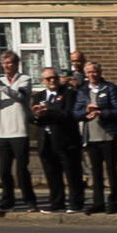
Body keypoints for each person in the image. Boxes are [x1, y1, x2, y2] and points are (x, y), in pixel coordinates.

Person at [0, 54, 36, 213]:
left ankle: (30, 201)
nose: (6, 66)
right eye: (4, 63)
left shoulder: (24, 79)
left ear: (16, 64)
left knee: (21, 170)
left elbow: (19, 96)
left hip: (19, 130)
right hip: (2, 131)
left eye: (9, 63)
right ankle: (7, 201)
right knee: (4, 171)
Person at [35, 66, 84, 213]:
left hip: (65, 139)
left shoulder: (68, 94)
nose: (52, 81)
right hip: (46, 139)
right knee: (52, 173)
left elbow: (68, 114)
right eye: (48, 78)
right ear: (42, 81)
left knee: (72, 172)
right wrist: (37, 115)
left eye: (54, 77)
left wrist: (48, 113)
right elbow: (31, 116)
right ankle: (57, 203)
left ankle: (76, 203)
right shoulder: (39, 96)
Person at [74, 59, 117, 212]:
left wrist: (101, 112)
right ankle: (98, 203)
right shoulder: (82, 91)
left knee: (112, 171)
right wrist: (85, 112)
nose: (92, 75)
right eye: (88, 72)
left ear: (100, 72)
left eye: (94, 71)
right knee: (96, 171)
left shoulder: (110, 88)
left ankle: (114, 202)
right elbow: (76, 113)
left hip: (107, 136)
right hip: (91, 137)